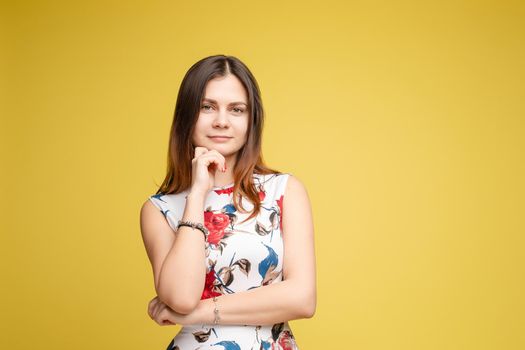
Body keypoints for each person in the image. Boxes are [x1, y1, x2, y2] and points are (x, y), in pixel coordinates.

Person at [140, 54, 316, 350]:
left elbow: (302, 298)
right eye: (207, 107)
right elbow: (181, 296)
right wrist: (197, 194)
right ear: (187, 116)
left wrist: (199, 312)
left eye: (236, 109)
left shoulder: (283, 191)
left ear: (251, 120)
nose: (221, 121)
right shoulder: (160, 209)